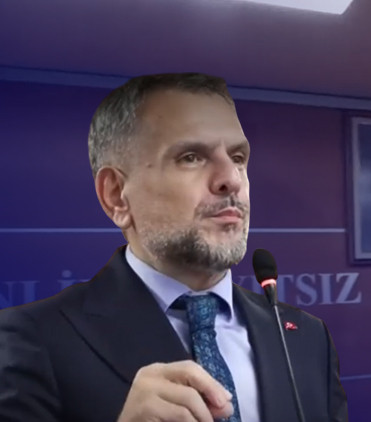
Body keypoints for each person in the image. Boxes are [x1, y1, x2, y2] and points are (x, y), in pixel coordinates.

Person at [0, 73, 348, 422]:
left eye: (238, 157)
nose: (231, 179)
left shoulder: (307, 338)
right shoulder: (33, 340)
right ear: (116, 195)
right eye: (191, 157)